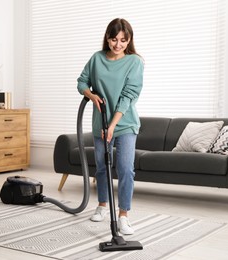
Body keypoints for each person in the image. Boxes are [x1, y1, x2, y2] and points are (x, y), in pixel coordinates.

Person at [77, 18, 144, 235]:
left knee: (125, 168)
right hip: (100, 122)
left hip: (124, 123)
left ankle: (123, 216)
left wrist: (113, 125)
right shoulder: (96, 59)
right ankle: (102, 206)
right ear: (107, 37)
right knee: (102, 167)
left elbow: (128, 96)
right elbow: (81, 81)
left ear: (129, 40)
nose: (118, 44)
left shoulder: (134, 62)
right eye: (114, 39)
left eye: (123, 40)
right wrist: (91, 95)